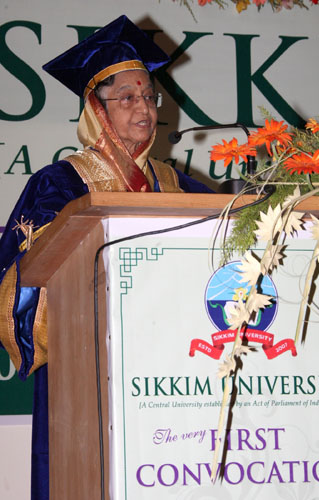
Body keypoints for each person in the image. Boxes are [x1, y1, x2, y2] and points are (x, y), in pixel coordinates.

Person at [0, 15, 213, 500]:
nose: (144, 108)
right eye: (128, 98)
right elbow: (18, 279)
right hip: (88, 363)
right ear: (97, 110)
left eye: (150, 97)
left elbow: (230, 227)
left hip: (170, 365)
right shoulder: (60, 183)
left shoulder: (176, 184)